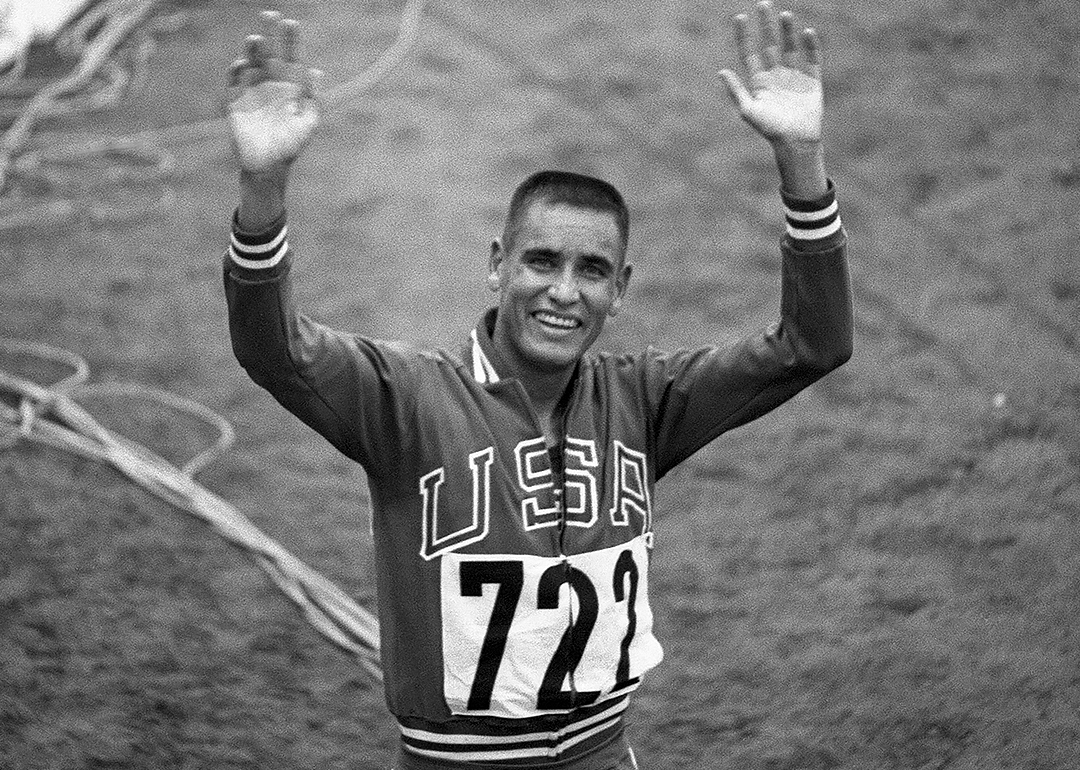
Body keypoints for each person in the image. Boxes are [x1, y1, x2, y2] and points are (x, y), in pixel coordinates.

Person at [222, 2, 852, 768]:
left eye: (591, 271)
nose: (563, 291)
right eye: (540, 261)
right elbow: (272, 348)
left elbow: (812, 345)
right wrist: (264, 186)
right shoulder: (406, 399)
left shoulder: (645, 401)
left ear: (620, 290)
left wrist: (801, 158)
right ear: (497, 265)